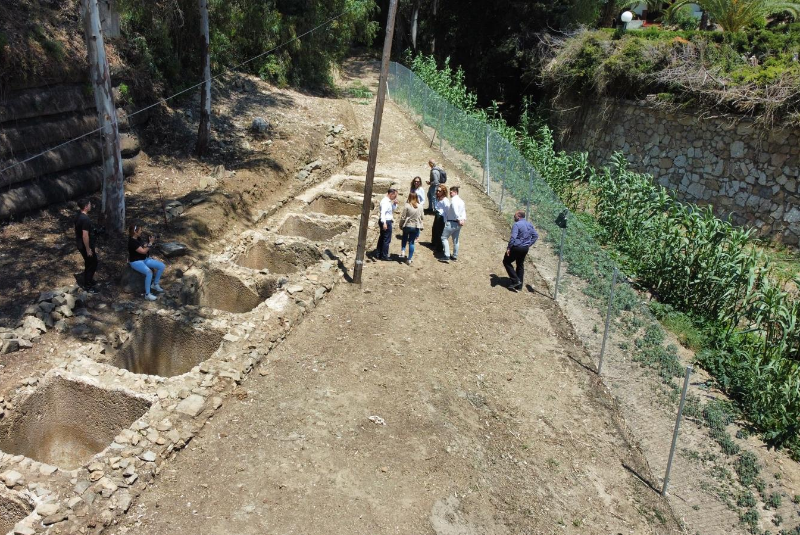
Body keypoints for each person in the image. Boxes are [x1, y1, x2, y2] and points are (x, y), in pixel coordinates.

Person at [128, 223, 166, 301]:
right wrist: (150, 243)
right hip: (136, 262)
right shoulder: (131, 242)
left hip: (144, 259)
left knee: (161, 266)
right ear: (135, 232)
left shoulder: (138, 238)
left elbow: (144, 245)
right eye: (140, 230)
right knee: (149, 272)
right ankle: (147, 294)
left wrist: (149, 242)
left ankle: (155, 284)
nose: (141, 231)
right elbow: (143, 251)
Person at [504, 211, 538, 291]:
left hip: (517, 247)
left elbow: (513, 238)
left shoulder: (516, 225)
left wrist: (509, 248)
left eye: (514, 216)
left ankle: (516, 281)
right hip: (525, 248)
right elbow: (535, 236)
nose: (513, 217)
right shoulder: (529, 224)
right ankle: (519, 287)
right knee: (520, 264)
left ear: (519, 216)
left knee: (506, 261)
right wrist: (529, 244)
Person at [75, 198, 98, 293]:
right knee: (92, 263)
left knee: (90, 263)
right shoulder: (85, 219)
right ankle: (87, 285)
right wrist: (88, 249)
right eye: (89, 204)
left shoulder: (78, 216)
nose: (90, 205)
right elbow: (85, 235)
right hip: (84, 245)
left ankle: (89, 280)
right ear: (85, 207)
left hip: (80, 244)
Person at [440, 186, 466, 263]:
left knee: (444, 238)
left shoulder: (454, 200)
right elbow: (463, 212)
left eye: (451, 192)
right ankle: (454, 255)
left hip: (452, 222)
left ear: (455, 192)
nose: (450, 193)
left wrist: (458, 218)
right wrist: (463, 219)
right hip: (459, 224)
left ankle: (447, 255)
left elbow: (455, 210)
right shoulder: (461, 201)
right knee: (456, 240)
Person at [399, 191, 424, 264]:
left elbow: (403, 217)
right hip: (416, 226)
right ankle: (409, 259)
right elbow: (422, 217)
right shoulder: (420, 206)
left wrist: (400, 224)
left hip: (407, 225)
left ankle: (403, 251)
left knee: (404, 237)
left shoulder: (407, 205)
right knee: (411, 242)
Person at [374, 188, 398, 261]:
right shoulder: (385, 202)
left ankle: (379, 254)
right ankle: (384, 255)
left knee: (382, 238)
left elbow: (390, 210)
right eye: (395, 196)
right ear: (391, 194)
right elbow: (383, 213)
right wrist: (384, 223)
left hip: (386, 221)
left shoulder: (388, 201)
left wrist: (395, 204)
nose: (395, 197)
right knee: (386, 239)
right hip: (386, 221)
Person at [431, 184, 449, 258]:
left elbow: (447, 210)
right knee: (434, 229)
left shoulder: (445, 200)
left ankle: (439, 247)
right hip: (437, 214)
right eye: (437, 190)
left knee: (439, 232)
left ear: (443, 192)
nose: (438, 192)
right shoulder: (438, 198)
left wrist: (445, 219)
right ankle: (434, 242)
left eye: (439, 191)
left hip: (441, 217)